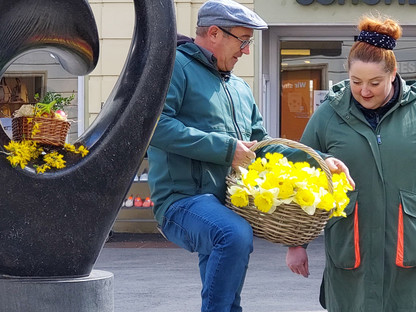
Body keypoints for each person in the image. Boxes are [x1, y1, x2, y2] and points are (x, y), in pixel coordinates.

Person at [147, 1, 353, 311]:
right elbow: (155, 126)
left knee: (230, 286)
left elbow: (264, 145)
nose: (245, 50)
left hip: (225, 203)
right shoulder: (175, 67)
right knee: (233, 235)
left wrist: (321, 160)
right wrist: (226, 149)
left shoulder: (241, 88)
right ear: (214, 33)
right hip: (181, 201)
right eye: (243, 40)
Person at [286, 13, 416, 311]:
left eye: (375, 82)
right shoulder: (329, 114)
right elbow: (300, 174)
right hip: (350, 244)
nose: (365, 91)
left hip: (407, 245)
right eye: (356, 82)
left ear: (393, 74)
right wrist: (297, 244)